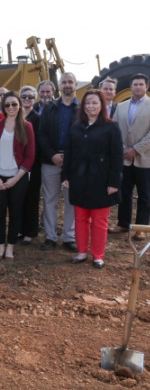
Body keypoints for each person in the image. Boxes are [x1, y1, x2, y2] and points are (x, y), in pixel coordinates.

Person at [62, 89, 123, 269]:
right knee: (80, 218)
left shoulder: (111, 127)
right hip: (79, 178)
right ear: (83, 106)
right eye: (87, 103)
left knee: (99, 220)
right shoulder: (76, 126)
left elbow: (117, 156)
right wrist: (65, 175)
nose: (90, 106)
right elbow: (69, 152)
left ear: (102, 105)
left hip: (102, 179)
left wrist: (114, 182)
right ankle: (81, 252)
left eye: (95, 103)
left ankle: (98, 255)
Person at [0, 91, 35, 261]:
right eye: (7, 105)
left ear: (19, 106)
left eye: (14, 104)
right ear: (3, 107)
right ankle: (0, 246)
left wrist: (15, 179)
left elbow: (30, 156)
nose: (11, 107)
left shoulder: (27, 126)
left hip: (18, 179)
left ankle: (10, 248)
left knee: (16, 214)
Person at [39, 72, 79, 252]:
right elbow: (42, 135)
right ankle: (50, 236)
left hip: (73, 163)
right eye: (64, 82)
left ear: (76, 85)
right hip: (51, 161)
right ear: (59, 86)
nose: (67, 85)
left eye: (70, 82)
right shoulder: (50, 108)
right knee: (50, 200)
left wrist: (69, 158)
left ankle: (69, 237)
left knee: (71, 200)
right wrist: (52, 155)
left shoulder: (82, 108)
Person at [111, 73, 150, 241]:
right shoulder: (121, 106)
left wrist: (135, 149)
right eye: (135, 84)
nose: (138, 87)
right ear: (131, 87)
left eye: (141, 84)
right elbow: (114, 130)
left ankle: (141, 228)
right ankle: (123, 223)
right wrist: (122, 149)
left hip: (144, 158)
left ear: (146, 87)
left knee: (145, 195)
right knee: (124, 192)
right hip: (124, 158)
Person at [18, 85, 41, 245]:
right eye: (24, 96)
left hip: (33, 163)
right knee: (18, 198)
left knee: (31, 197)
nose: (27, 99)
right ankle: (19, 228)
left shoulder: (38, 118)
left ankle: (30, 231)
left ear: (35, 99)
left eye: (30, 97)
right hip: (16, 163)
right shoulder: (15, 116)